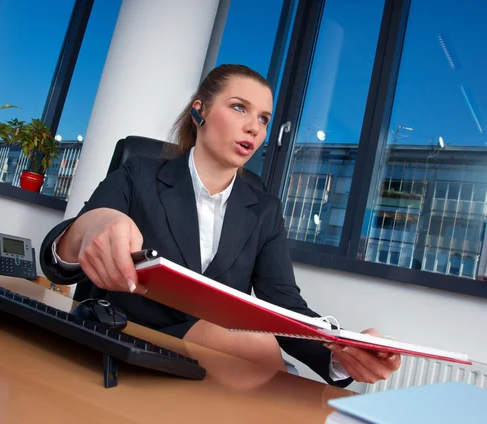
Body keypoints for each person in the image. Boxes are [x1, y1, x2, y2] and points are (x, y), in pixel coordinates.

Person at [40, 64, 401, 387]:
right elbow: (58, 261)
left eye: (263, 118)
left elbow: (285, 305)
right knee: (254, 345)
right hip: (128, 346)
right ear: (200, 111)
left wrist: (339, 351)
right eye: (239, 107)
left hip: (215, 371)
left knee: (258, 346)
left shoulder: (264, 210)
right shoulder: (140, 174)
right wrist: (93, 225)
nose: (253, 127)